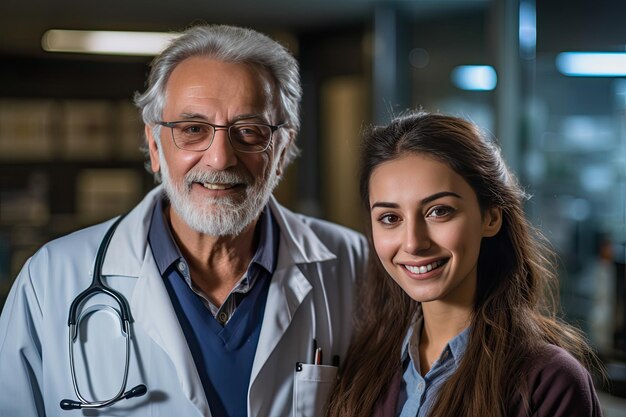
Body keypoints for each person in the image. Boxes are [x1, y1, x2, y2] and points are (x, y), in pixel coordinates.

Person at [0, 24, 368, 417]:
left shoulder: (354, 263)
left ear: (281, 150)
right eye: (193, 130)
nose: (220, 158)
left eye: (249, 131)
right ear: (156, 146)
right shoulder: (53, 278)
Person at [326, 111, 604, 417]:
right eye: (390, 218)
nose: (413, 243)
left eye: (439, 211)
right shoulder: (365, 364)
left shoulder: (549, 382)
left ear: (491, 217)